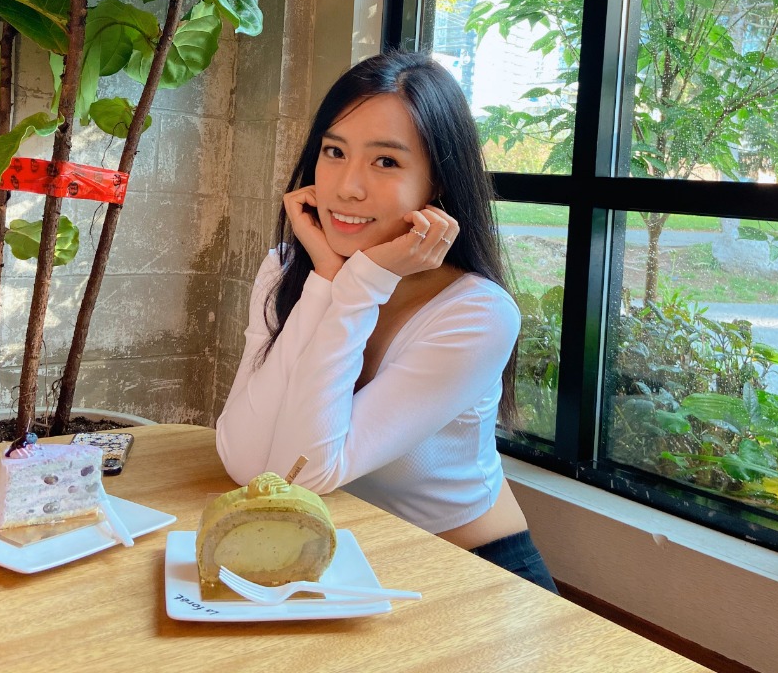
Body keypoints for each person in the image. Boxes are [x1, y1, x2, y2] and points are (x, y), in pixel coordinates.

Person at [216, 50, 558, 592]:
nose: (347, 187)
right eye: (334, 151)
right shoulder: (288, 268)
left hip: (472, 572)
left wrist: (359, 287)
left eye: (386, 162)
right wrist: (325, 283)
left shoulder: (476, 314)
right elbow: (247, 462)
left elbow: (307, 474)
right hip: (344, 563)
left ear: (437, 184)